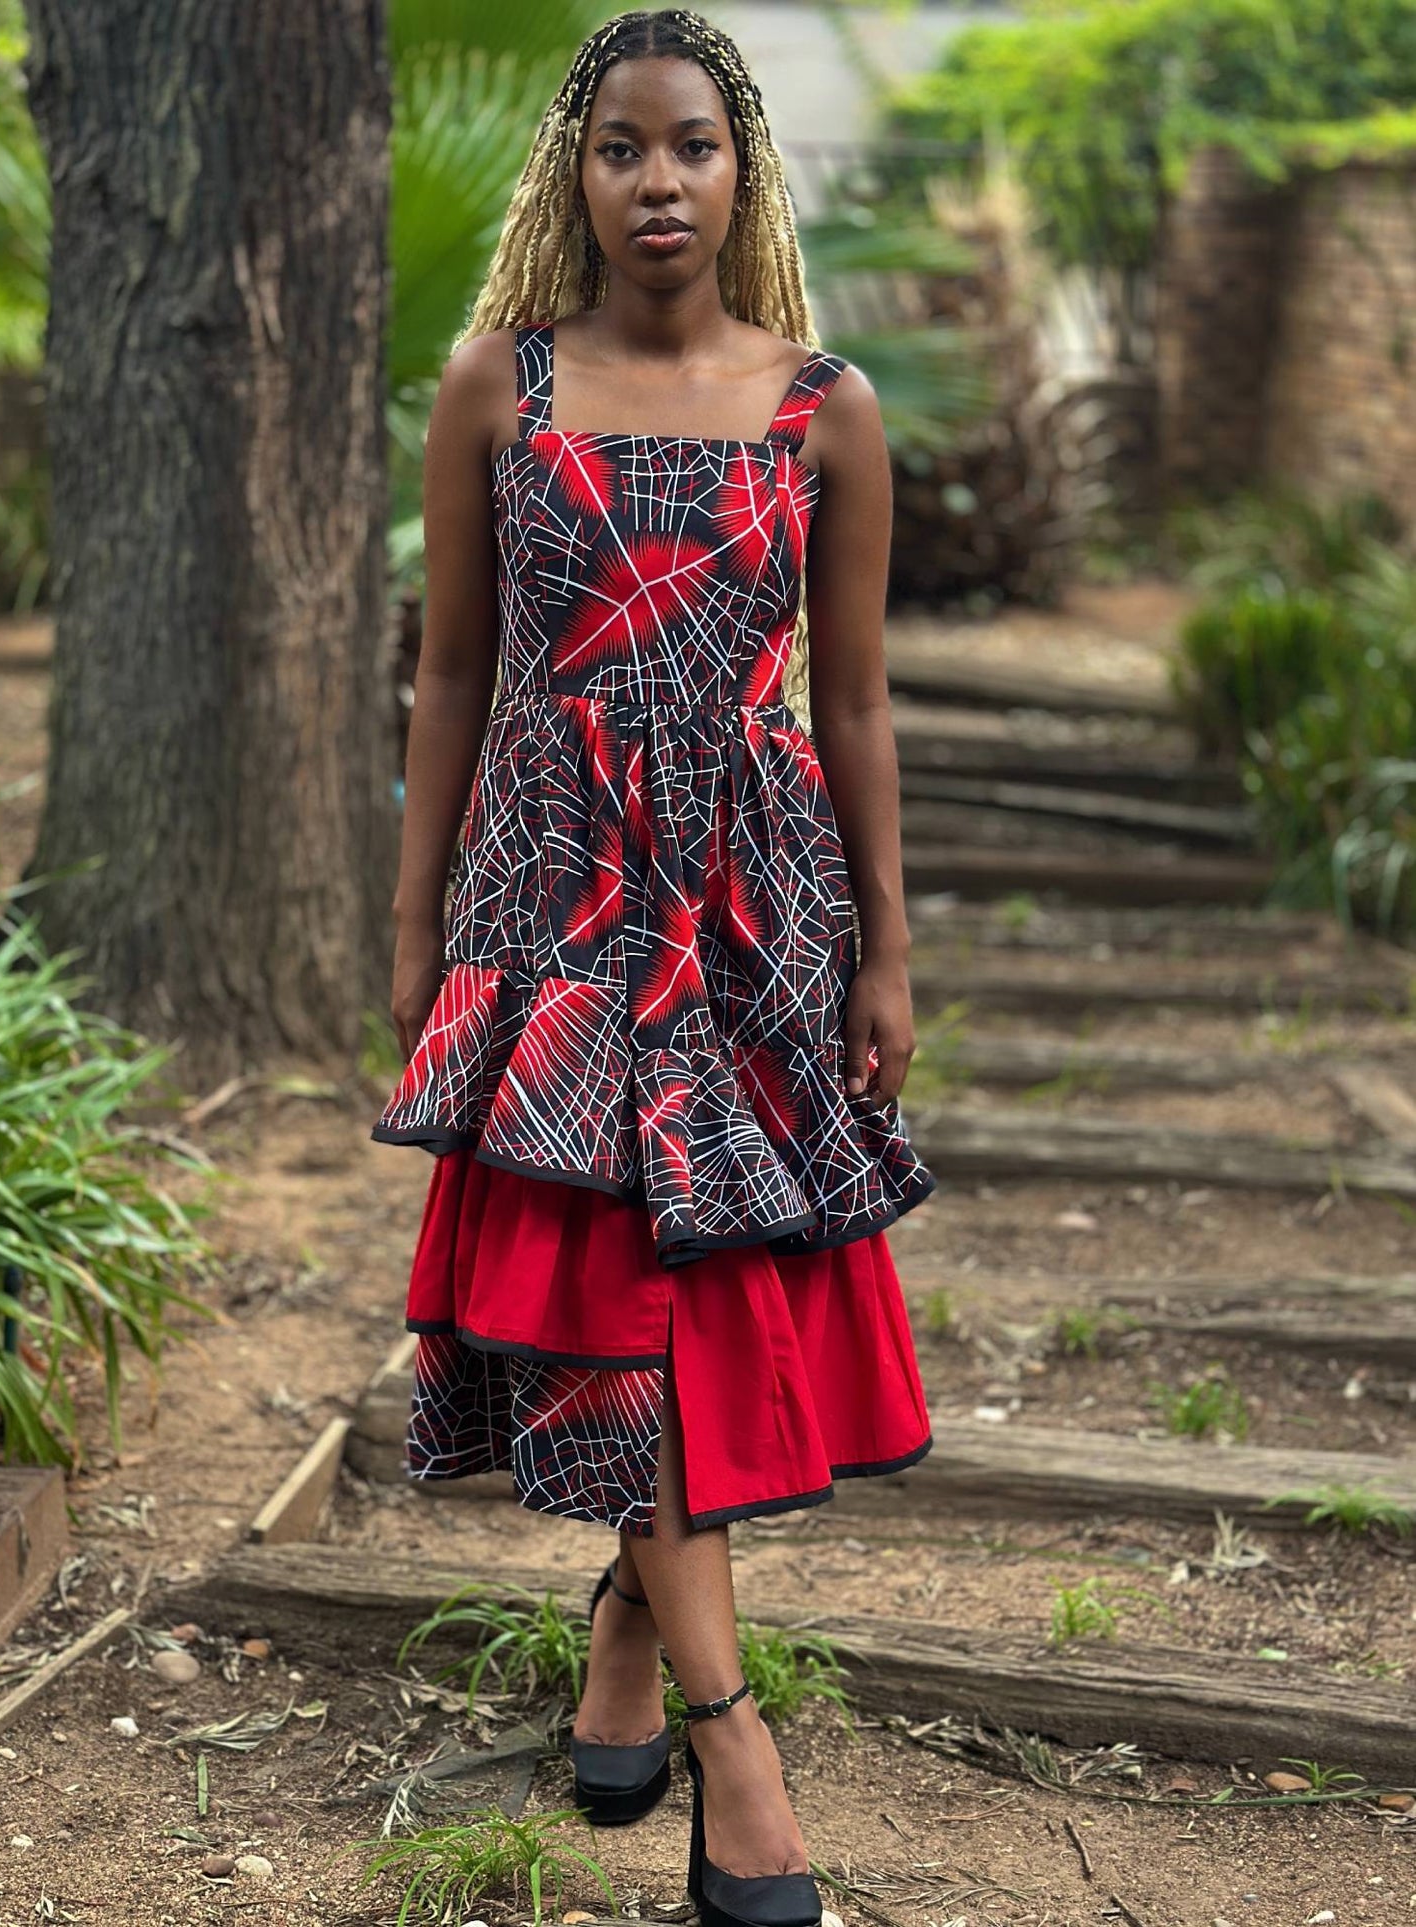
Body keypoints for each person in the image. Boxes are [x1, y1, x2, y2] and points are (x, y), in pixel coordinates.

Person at [371, 11, 937, 1923]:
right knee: (618, 1291)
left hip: (754, 907)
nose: (658, 182)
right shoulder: (497, 389)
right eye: (621, 148)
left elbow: (851, 702)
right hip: (554, 896)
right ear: (578, 172)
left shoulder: (823, 403)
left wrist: (883, 942)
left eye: (691, 146)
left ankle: (625, 1622)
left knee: (701, 1308)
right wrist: (414, 920)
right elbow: (451, 675)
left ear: (740, 168)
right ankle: (729, 1734)